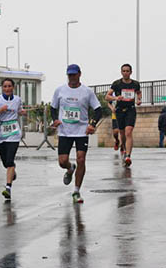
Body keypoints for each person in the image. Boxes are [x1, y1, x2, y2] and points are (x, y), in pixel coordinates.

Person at [51, 64, 102, 203]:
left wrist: (92, 124)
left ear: (79, 74)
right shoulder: (60, 90)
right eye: (69, 75)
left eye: (74, 75)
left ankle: (76, 191)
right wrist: (55, 119)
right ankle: (69, 168)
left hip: (81, 131)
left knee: (81, 159)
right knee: (62, 162)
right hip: (65, 131)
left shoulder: (87, 92)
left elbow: (98, 110)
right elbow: (53, 108)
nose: (72, 77)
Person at [0, 78, 26, 200]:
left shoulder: (17, 99)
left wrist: (21, 112)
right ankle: (11, 170)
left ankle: (8, 188)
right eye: (5, 86)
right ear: (2, 88)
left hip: (14, 133)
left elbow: (18, 110)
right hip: (0, 133)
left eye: (9, 86)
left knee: (10, 160)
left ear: (13, 87)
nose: (7, 89)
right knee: (6, 163)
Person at [105, 64, 142, 167]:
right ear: (121, 72)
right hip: (119, 111)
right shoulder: (116, 84)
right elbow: (107, 97)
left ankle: (128, 156)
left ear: (131, 72)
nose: (125, 73)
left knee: (128, 132)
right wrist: (116, 98)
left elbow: (138, 93)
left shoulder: (135, 84)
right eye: (124, 71)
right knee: (122, 134)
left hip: (130, 110)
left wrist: (139, 100)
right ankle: (124, 149)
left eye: (127, 71)